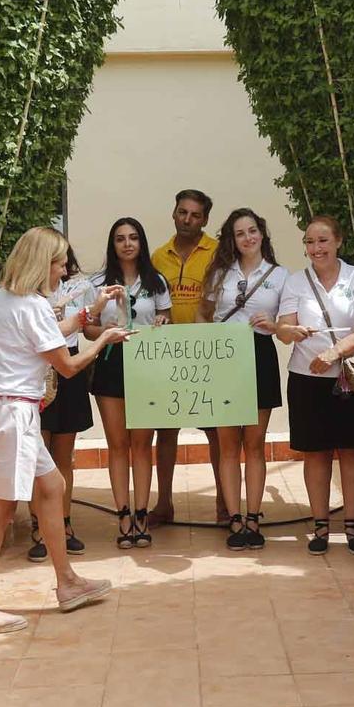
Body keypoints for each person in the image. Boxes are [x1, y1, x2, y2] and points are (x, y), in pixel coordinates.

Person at [0, 227, 127, 633]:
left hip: (3, 409)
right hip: (11, 413)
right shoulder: (31, 305)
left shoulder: (3, 297)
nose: (65, 271)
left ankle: (67, 582)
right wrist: (103, 337)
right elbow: (66, 366)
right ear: (42, 263)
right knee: (1, 510)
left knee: (51, 487)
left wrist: (88, 314)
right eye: (60, 263)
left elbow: (49, 336)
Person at [276, 215, 354, 555]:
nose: (316, 248)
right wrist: (288, 331)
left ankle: (352, 526)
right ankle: (320, 525)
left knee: (353, 451)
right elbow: (284, 328)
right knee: (316, 453)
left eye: (322, 240)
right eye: (309, 242)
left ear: (338, 241)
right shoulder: (295, 281)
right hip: (307, 378)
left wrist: (336, 351)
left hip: (351, 375)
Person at [201, 208, 288, 551]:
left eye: (252, 230)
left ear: (262, 233)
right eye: (240, 233)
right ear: (231, 240)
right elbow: (203, 314)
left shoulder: (281, 275)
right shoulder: (220, 273)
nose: (248, 238)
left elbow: (287, 324)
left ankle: (253, 516)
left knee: (254, 443)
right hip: (224, 357)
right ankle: (234, 518)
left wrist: (276, 324)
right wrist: (207, 340)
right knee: (227, 444)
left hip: (260, 355)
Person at [89, 218, 172, 549]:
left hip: (148, 367)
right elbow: (87, 329)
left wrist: (163, 323)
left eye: (133, 237)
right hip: (110, 364)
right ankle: (122, 515)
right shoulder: (98, 283)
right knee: (118, 444)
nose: (127, 244)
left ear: (141, 242)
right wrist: (108, 334)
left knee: (142, 444)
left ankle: (141, 514)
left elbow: (167, 319)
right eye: (120, 238)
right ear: (113, 244)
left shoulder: (156, 281)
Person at [150, 190, 226, 527]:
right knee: (165, 433)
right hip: (168, 355)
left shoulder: (218, 253)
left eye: (195, 215)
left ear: (206, 219)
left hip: (207, 354)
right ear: (173, 213)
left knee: (216, 433)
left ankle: (225, 505)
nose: (187, 219)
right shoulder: (156, 256)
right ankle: (163, 504)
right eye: (182, 212)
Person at [34, 246, 97, 562]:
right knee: (38, 454)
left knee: (63, 455)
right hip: (39, 369)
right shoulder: (28, 293)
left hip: (69, 365)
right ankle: (39, 528)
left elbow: (86, 326)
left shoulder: (78, 289)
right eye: (55, 260)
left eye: (63, 260)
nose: (61, 266)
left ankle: (64, 522)